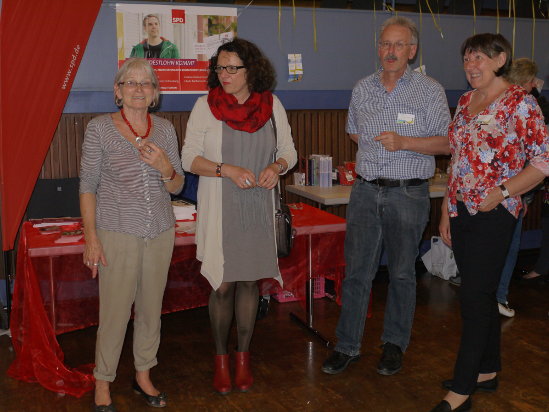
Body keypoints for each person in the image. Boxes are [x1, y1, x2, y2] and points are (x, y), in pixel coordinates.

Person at [321, 16, 451, 378]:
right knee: (357, 274)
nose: (389, 52)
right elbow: (353, 133)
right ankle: (347, 346)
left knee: (402, 274)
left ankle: (394, 344)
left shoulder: (429, 90)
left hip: (408, 194)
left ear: (412, 50)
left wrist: (405, 142)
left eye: (398, 45)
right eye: (384, 44)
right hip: (364, 191)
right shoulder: (362, 88)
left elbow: (447, 141)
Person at [434, 33, 549, 412]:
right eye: (467, 59)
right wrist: (446, 209)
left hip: (495, 214)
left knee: (473, 298)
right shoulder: (466, 100)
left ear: (501, 60)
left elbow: (543, 162)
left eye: (480, 58)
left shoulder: (521, 102)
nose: (471, 65)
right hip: (461, 210)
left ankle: (462, 389)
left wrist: (502, 191)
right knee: (479, 293)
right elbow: (458, 158)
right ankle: (487, 370)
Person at [180, 38, 297, 395]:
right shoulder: (205, 106)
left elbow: (289, 151)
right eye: (220, 67)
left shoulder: (272, 105)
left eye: (233, 67)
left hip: (259, 207)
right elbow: (188, 159)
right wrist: (225, 169)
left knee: (249, 283)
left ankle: (243, 357)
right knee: (223, 284)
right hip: (221, 207)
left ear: (251, 70)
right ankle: (220, 359)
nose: (225, 74)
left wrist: (276, 167)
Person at [80, 58, 184, 411]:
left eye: (146, 83)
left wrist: (165, 167)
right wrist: (91, 238)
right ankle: (103, 380)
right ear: (118, 90)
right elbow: (88, 186)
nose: (138, 88)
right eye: (130, 82)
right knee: (114, 311)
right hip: (116, 231)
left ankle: (143, 374)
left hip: (159, 230)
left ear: (155, 93)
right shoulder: (99, 128)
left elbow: (177, 184)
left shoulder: (166, 129)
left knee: (151, 310)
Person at [495, 57, 548, 317]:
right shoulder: (528, 106)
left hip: (493, 189)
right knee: (508, 246)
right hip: (510, 191)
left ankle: (491, 296)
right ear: (526, 83)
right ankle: (499, 296)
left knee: (494, 247)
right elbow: (535, 161)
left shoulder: (492, 103)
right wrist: (524, 199)